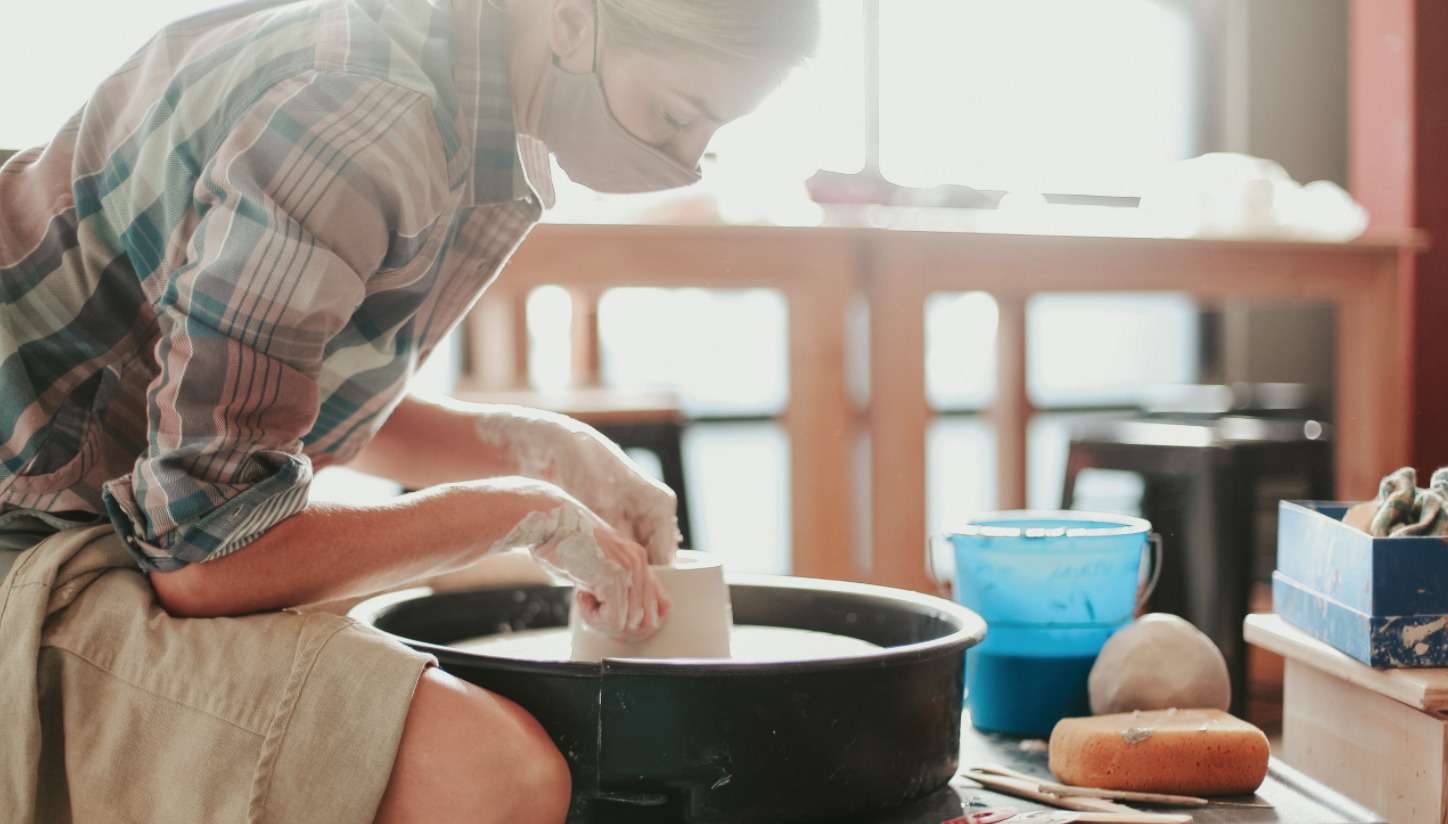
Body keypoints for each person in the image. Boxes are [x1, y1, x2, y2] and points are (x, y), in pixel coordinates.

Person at [0, 0, 819, 821]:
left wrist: (553, 449)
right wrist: (524, 512)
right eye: (676, 116)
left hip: (108, 507)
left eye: (710, 140)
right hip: (29, 536)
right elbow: (207, 555)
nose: (686, 166)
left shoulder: (453, 77)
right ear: (572, 21)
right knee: (494, 772)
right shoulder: (362, 115)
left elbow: (273, 401)